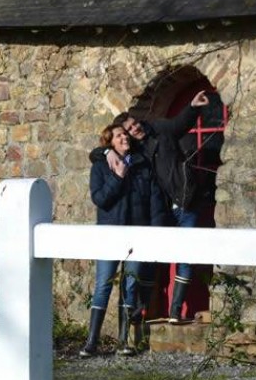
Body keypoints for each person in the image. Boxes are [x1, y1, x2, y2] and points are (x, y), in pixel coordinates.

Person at [90, 90, 210, 323]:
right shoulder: (133, 152)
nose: (135, 128)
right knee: (152, 260)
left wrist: (193, 107)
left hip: (184, 202)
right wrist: (105, 151)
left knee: (186, 255)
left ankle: (175, 311)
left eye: (135, 123)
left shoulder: (160, 130)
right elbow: (99, 152)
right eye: (129, 129)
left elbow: (180, 123)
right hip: (161, 210)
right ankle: (143, 310)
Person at [80, 124, 167, 358]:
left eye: (125, 134)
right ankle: (91, 342)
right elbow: (100, 199)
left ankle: (124, 341)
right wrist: (118, 177)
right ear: (110, 142)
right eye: (119, 136)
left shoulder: (141, 164)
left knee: (130, 285)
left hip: (136, 235)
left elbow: (154, 201)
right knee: (104, 284)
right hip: (109, 234)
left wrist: (155, 232)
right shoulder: (100, 167)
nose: (124, 137)